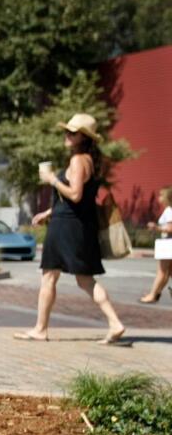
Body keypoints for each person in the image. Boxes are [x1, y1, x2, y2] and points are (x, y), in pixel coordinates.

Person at [15, 113, 125, 345]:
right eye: (67, 131)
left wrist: (52, 179)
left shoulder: (78, 161)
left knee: (49, 277)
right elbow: (81, 201)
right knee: (85, 280)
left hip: (66, 228)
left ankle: (40, 329)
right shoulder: (92, 162)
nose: (67, 135)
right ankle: (115, 323)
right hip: (77, 225)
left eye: (72, 132)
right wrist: (49, 212)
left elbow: (75, 194)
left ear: (83, 138)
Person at [140, 186, 172, 303]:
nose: (159, 198)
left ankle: (152, 295)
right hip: (168, 243)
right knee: (168, 272)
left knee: (162, 272)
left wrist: (156, 227)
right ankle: (156, 293)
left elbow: (170, 228)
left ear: (168, 198)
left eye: (161, 195)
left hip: (167, 243)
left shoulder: (169, 211)